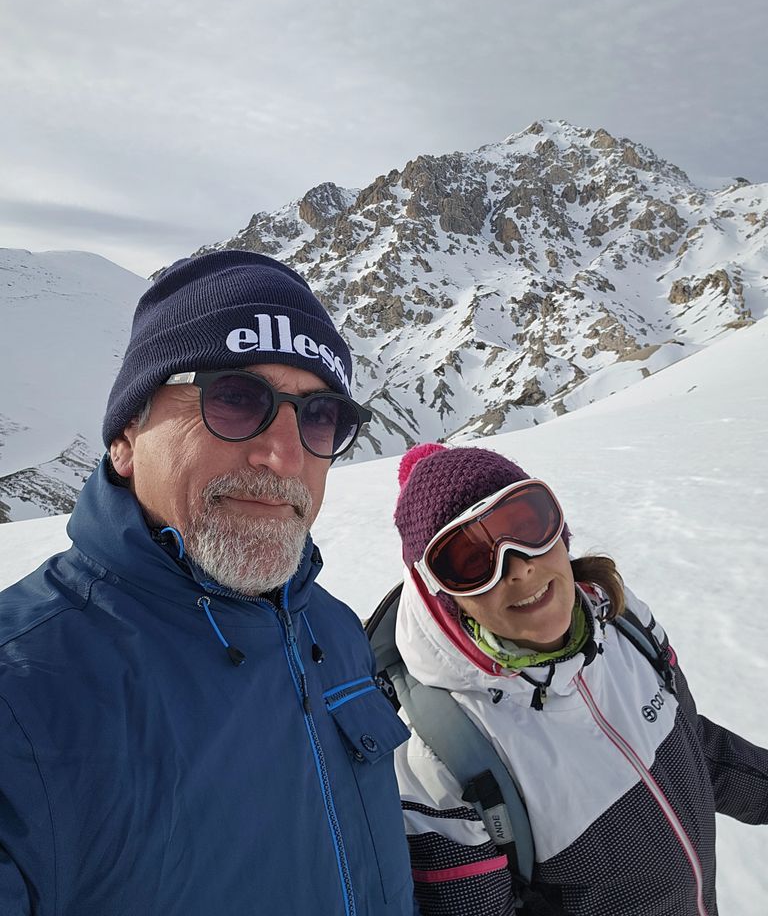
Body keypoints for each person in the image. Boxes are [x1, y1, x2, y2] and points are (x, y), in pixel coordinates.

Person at [0, 250, 416, 916]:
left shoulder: (335, 632)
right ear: (127, 436)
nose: (284, 456)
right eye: (235, 398)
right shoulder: (22, 695)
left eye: (319, 417)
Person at [391, 442, 768, 916]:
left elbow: (695, 750)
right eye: (470, 560)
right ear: (443, 597)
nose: (519, 567)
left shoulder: (626, 626)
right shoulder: (440, 758)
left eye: (526, 525)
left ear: (559, 531)